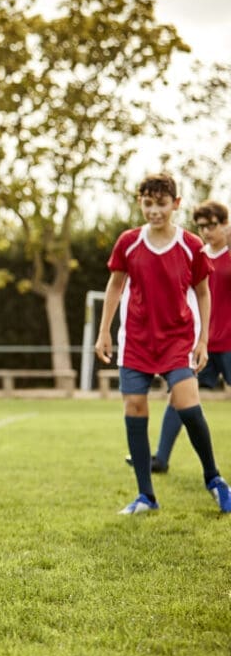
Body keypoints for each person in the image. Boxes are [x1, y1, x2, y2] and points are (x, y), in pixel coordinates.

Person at [95, 173, 231, 515]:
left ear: (176, 204)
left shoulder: (190, 245)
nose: (155, 210)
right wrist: (104, 331)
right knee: (135, 410)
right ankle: (146, 496)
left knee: (187, 404)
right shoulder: (127, 242)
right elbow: (114, 286)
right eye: (148, 203)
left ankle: (214, 479)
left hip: (177, 339)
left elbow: (202, 292)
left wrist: (202, 339)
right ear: (140, 203)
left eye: (162, 204)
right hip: (136, 341)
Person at [124, 200, 231, 473]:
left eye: (213, 225)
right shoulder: (192, 253)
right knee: (178, 399)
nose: (207, 231)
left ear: (226, 225)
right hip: (199, 344)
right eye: (202, 226)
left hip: (229, 344)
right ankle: (160, 458)